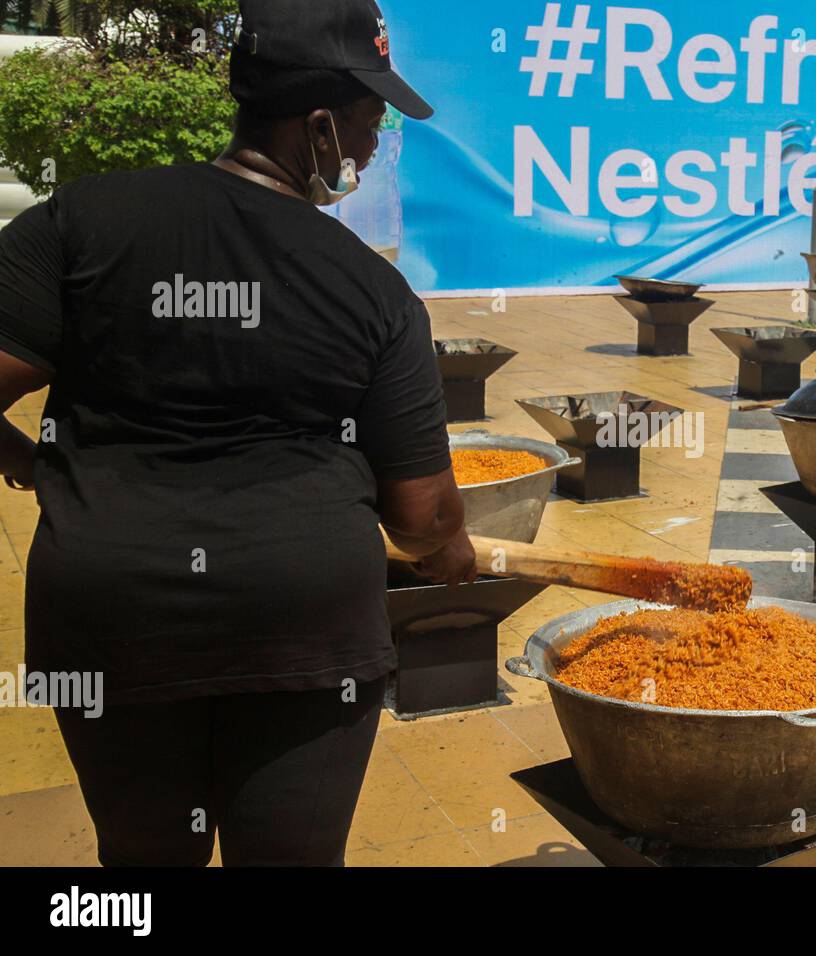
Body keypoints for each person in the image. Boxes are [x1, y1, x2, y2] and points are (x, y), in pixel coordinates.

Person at [0, 0, 475, 866]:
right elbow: (423, 518)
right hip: (305, 635)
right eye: (371, 125)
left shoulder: (83, 221)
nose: (373, 150)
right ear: (320, 126)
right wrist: (454, 561)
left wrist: (26, 459)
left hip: (112, 625)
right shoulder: (372, 293)